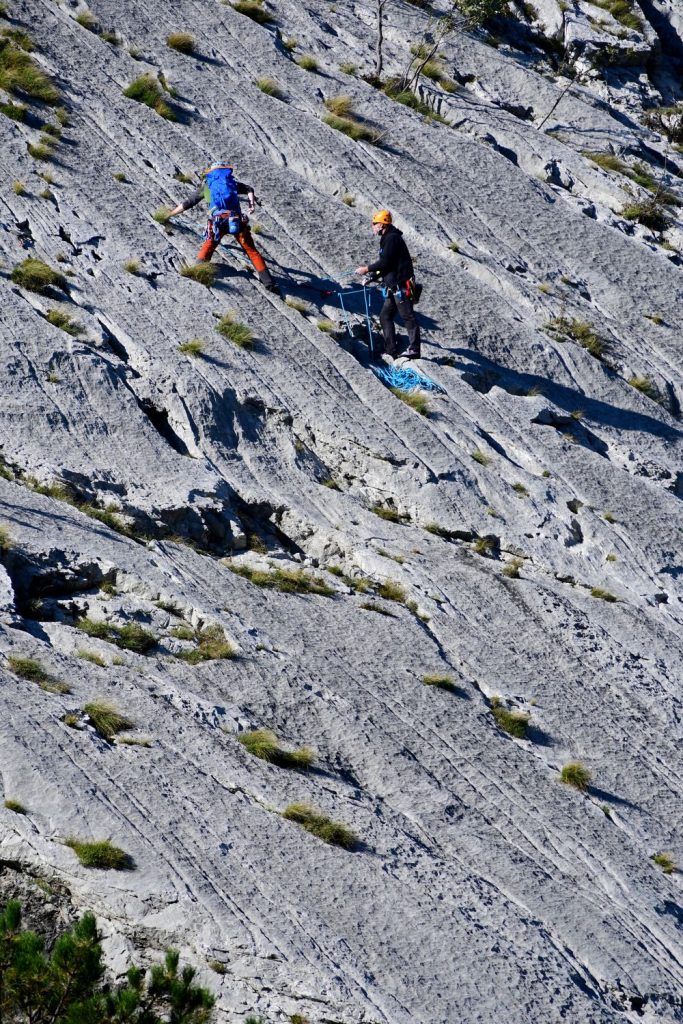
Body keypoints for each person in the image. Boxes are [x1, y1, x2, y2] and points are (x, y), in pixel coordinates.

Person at [167, 163, 280, 294]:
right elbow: (249, 188)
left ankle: (198, 270)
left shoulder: (208, 186)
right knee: (251, 251)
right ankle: (269, 283)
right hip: (237, 221)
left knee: (209, 244)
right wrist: (251, 205)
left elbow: (188, 203)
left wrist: (171, 213)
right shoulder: (231, 184)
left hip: (218, 222)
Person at [355, 210, 421, 360]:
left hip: (401, 286)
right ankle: (391, 350)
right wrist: (371, 277)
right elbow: (387, 266)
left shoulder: (391, 238)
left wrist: (366, 269)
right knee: (385, 317)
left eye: (374, 223)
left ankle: (414, 349)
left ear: (382, 224)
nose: (372, 226)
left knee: (408, 317)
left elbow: (385, 263)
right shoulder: (388, 238)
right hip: (394, 287)